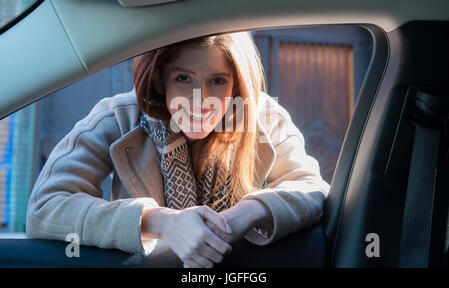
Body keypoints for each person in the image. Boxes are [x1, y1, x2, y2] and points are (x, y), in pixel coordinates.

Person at [26, 31, 330, 268]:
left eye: (217, 81)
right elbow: (46, 208)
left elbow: (312, 189)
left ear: (236, 83)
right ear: (160, 78)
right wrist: (161, 222)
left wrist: (247, 214)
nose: (200, 99)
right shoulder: (118, 117)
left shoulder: (262, 117)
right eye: (184, 78)